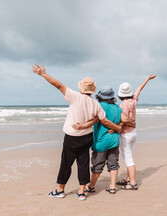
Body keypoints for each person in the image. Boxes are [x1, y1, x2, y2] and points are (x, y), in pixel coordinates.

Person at [32, 64, 122, 201]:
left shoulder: (75, 96)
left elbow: (58, 85)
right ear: (92, 90)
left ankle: (60, 190)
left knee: (66, 163)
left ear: (82, 88)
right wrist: (113, 127)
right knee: (83, 163)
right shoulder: (95, 104)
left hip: (72, 137)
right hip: (87, 137)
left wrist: (43, 74)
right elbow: (103, 120)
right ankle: (81, 192)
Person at [73, 88, 135, 194]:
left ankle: (91, 186)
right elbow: (125, 120)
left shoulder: (99, 106)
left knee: (97, 165)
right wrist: (120, 127)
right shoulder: (117, 107)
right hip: (114, 139)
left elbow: (93, 119)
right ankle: (112, 187)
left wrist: (81, 126)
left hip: (101, 140)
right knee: (113, 164)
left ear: (100, 97)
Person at [116, 74, 157, 190]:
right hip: (133, 133)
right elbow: (139, 89)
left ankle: (132, 183)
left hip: (126, 134)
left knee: (128, 159)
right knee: (130, 157)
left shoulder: (123, 104)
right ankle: (128, 179)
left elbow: (124, 120)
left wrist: (114, 128)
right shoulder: (133, 101)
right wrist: (147, 80)